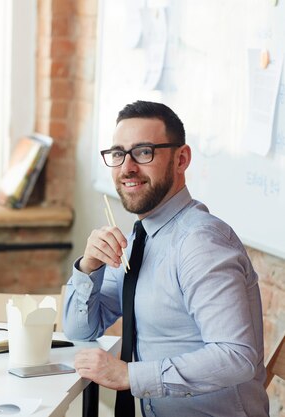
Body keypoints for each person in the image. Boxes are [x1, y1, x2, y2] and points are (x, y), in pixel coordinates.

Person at [63, 101, 268, 416]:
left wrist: (129, 375)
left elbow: (236, 356)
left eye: (144, 152)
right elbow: (80, 331)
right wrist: (89, 267)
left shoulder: (200, 243)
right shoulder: (141, 239)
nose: (127, 168)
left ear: (181, 159)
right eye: (118, 154)